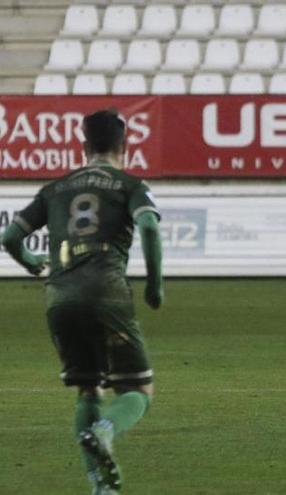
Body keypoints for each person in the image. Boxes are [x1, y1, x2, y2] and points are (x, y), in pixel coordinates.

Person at [1, 109, 164, 495]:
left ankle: (99, 486)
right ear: (124, 146)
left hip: (59, 296)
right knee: (138, 391)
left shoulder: (56, 188)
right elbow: (149, 226)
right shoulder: (129, 184)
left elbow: (9, 236)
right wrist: (155, 286)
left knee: (88, 390)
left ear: (84, 145)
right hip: (106, 292)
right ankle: (106, 431)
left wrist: (30, 262)